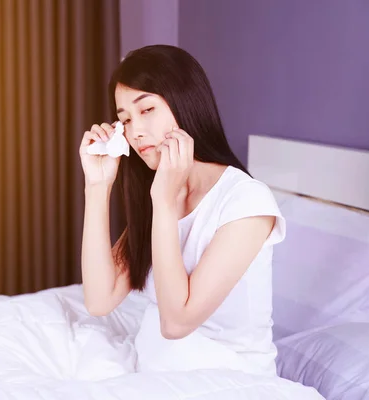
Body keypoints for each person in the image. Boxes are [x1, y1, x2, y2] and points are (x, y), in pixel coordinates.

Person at [79, 45, 286, 377]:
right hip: (155, 371)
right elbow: (99, 301)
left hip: (226, 379)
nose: (135, 131)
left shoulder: (247, 202)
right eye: (125, 119)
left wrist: (164, 203)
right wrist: (97, 186)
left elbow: (176, 322)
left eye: (147, 110)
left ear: (185, 104)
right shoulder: (161, 189)